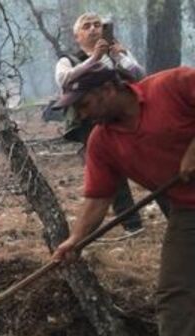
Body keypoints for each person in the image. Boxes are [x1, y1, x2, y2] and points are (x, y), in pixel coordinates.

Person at [51, 67, 195, 336]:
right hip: (189, 209)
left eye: (83, 104)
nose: (80, 115)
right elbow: (99, 196)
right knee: (174, 288)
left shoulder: (173, 85)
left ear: (107, 89)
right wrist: (76, 240)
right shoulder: (102, 142)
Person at [55, 12, 148, 236]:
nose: (93, 29)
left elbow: (139, 76)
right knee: (109, 169)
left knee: (146, 159)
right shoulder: (68, 60)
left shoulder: (116, 52)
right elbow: (64, 79)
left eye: (97, 25)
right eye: (87, 26)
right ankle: (132, 223)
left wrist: (120, 56)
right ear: (77, 36)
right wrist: (94, 59)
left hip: (123, 116)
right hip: (89, 121)